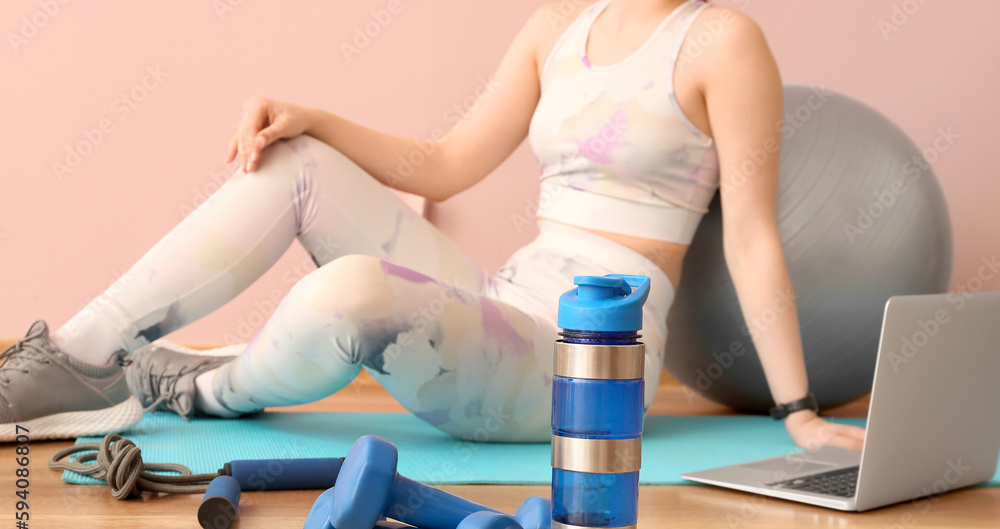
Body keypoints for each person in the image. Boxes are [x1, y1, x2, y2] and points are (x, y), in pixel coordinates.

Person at [0, 0, 865, 450]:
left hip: (585, 364)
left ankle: (193, 387)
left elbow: (750, 232)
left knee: (349, 294)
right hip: (500, 305)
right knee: (297, 162)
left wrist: (796, 410)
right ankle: (80, 360)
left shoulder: (723, 42)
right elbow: (446, 163)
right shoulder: (556, 29)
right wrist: (317, 118)